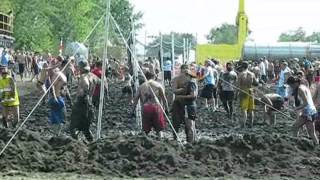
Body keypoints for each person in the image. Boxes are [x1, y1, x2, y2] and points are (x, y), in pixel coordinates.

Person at [69, 60, 103, 142]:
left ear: (81, 68)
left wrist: (83, 92)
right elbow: (103, 83)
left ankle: (77, 144)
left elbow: (86, 85)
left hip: (81, 103)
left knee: (72, 127)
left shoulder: (83, 76)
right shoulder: (93, 76)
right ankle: (92, 144)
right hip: (89, 103)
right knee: (85, 129)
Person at [131, 71, 169, 137]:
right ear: (153, 77)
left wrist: (132, 111)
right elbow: (164, 99)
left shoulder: (141, 87)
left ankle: (145, 143)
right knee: (159, 130)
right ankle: (161, 142)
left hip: (146, 107)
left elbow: (135, 99)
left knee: (145, 131)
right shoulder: (158, 85)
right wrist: (166, 110)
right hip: (156, 107)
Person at [287, 76, 319, 145]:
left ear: (294, 83)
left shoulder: (300, 89)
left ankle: (316, 145)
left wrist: (296, 108)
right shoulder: (303, 86)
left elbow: (306, 103)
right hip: (309, 111)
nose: (291, 87)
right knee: (297, 127)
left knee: (310, 132)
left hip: (309, 113)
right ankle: (295, 142)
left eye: (291, 85)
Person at [174, 69, 198, 143]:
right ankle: (193, 141)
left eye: (184, 75)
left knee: (189, 125)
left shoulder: (191, 83)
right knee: (192, 125)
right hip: (191, 105)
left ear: (187, 75)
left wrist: (181, 97)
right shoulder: (192, 83)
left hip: (189, 106)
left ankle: (191, 143)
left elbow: (193, 95)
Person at [238, 61, 259, 128]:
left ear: (242, 67)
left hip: (244, 92)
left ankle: (243, 124)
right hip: (251, 92)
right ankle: (251, 124)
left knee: (244, 109)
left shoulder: (241, 74)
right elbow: (256, 83)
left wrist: (236, 95)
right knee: (251, 109)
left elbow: (238, 86)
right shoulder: (252, 74)